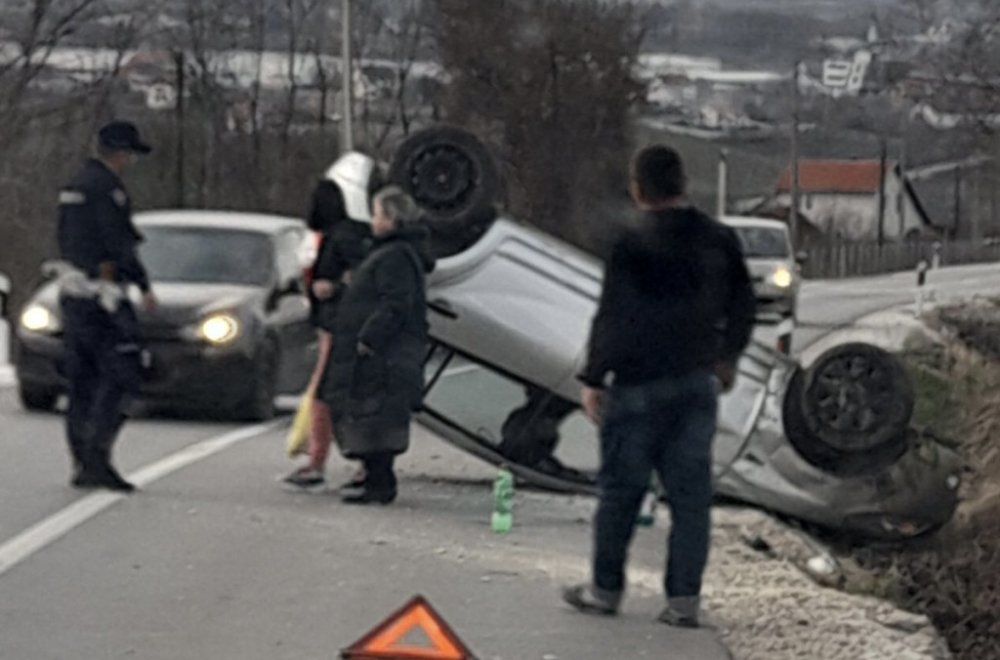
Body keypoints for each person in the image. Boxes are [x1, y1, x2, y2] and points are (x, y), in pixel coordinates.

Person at [562, 145, 756, 628]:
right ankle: (683, 602)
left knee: (621, 493)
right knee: (690, 498)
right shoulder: (719, 239)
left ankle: (605, 591)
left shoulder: (630, 243)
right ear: (683, 183)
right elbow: (745, 305)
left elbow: (612, 315)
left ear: (638, 188)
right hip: (695, 384)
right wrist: (727, 357)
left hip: (636, 387)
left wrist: (593, 378)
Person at [56, 121, 158, 493]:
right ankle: (97, 455)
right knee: (122, 374)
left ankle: (82, 457)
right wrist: (143, 284)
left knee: (81, 379)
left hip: (73, 291)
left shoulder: (75, 183)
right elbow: (118, 243)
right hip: (103, 294)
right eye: (129, 153)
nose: (129, 161)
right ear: (120, 152)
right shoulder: (106, 189)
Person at [320, 186, 435, 505]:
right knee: (369, 412)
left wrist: (369, 337)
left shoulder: (395, 255)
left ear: (392, 219)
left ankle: (380, 482)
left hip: (382, 355)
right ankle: (373, 477)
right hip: (380, 354)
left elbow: (395, 303)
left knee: (376, 413)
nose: (372, 220)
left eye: (377, 213)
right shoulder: (390, 252)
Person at [283, 179, 372, 491]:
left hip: (337, 326)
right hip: (350, 325)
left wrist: (332, 288)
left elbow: (357, 277)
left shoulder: (338, 238)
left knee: (326, 394)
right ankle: (360, 462)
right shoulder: (358, 233)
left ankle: (318, 462)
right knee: (347, 393)